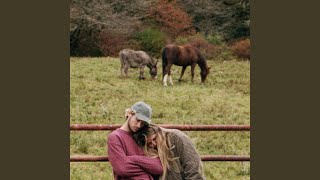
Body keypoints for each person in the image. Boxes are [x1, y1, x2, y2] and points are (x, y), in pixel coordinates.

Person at [107, 101, 163, 179]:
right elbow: (122, 168)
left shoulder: (143, 136)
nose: (139, 125)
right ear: (129, 114)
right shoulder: (115, 137)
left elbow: (159, 167)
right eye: (137, 120)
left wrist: (131, 159)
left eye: (143, 123)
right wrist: (147, 174)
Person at [135, 124, 205, 180]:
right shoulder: (149, 150)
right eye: (149, 143)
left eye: (154, 138)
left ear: (158, 132)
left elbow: (192, 165)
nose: (154, 144)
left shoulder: (177, 138)